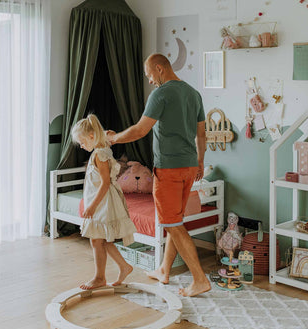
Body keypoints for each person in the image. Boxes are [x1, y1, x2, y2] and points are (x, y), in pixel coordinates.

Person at [107, 53, 210, 297]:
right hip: (189, 168)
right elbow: (202, 135)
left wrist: (113, 138)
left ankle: (200, 279)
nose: (150, 80)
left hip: (169, 168)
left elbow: (140, 130)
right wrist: (200, 162)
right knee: (176, 220)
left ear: (159, 68)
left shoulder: (161, 94)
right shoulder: (193, 94)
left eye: (149, 75)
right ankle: (164, 269)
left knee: (172, 224)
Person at [71, 114, 137, 290]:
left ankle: (99, 277)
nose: (82, 146)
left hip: (102, 204)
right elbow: (106, 136)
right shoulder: (103, 148)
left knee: (96, 240)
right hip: (103, 201)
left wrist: (91, 206)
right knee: (102, 239)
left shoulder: (99, 154)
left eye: (83, 142)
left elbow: (105, 183)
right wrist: (106, 135)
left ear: (92, 137)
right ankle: (123, 266)